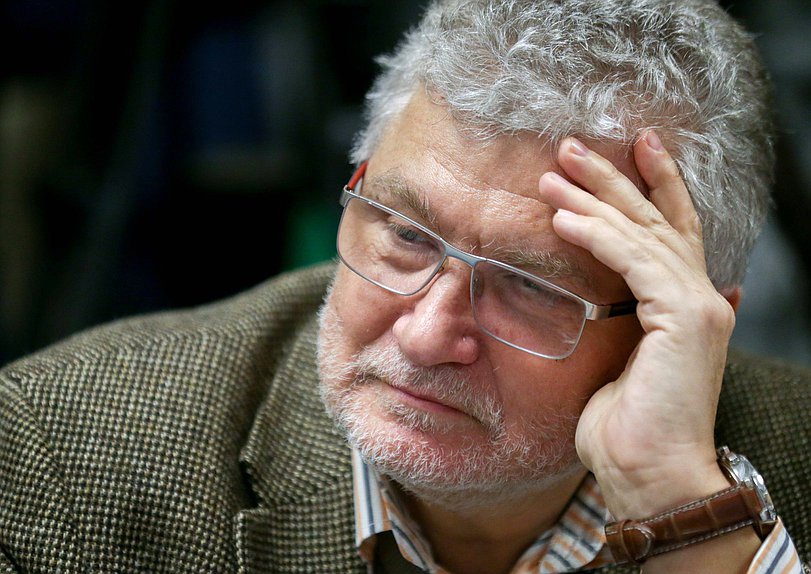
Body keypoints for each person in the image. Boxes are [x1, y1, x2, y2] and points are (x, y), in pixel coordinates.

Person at [1, 0, 809, 572]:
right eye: (406, 234)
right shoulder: (59, 452)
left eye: (531, 286)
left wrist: (678, 512)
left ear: (682, 325)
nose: (425, 336)